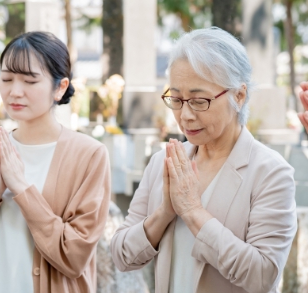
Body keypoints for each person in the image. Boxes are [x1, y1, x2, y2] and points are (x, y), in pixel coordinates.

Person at [110, 27, 297, 293]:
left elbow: (262, 276)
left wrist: (193, 212)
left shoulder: (270, 172)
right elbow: (121, 255)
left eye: (199, 101)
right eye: (176, 99)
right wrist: (164, 213)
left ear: (239, 95)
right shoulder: (164, 162)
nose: (184, 115)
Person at [0, 31, 111, 293]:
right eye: (6, 79)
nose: (14, 91)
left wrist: (21, 188)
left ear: (60, 87)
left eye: (30, 81)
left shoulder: (89, 155)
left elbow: (74, 256)